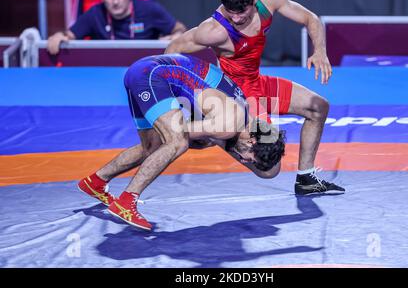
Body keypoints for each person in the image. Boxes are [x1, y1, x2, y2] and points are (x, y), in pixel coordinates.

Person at [165, 0, 344, 196]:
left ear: (255, 0)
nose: (237, 19)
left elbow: (310, 18)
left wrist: (320, 52)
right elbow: (172, 51)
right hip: (238, 96)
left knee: (318, 107)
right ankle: (217, 133)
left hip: (257, 82)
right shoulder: (213, 30)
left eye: (242, 12)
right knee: (269, 169)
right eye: (231, 13)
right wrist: (178, 100)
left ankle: (306, 177)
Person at [78, 53, 286, 230]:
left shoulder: (242, 118)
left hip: (146, 72)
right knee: (177, 143)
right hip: (151, 76)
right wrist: (206, 138)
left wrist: (206, 137)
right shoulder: (228, 126)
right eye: (250, 158)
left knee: (152, 147)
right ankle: (126, 201)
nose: (244, 160)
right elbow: (180, 132)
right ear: (251, 141)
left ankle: (96, 181)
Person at [47, 0, 186, 55]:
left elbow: (179, 28)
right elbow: (69, 34)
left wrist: (177, 35)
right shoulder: (95, 13)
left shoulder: (150, 9)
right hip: (104, 71)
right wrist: (59, 36)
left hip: (146, 69)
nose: (115, 1)